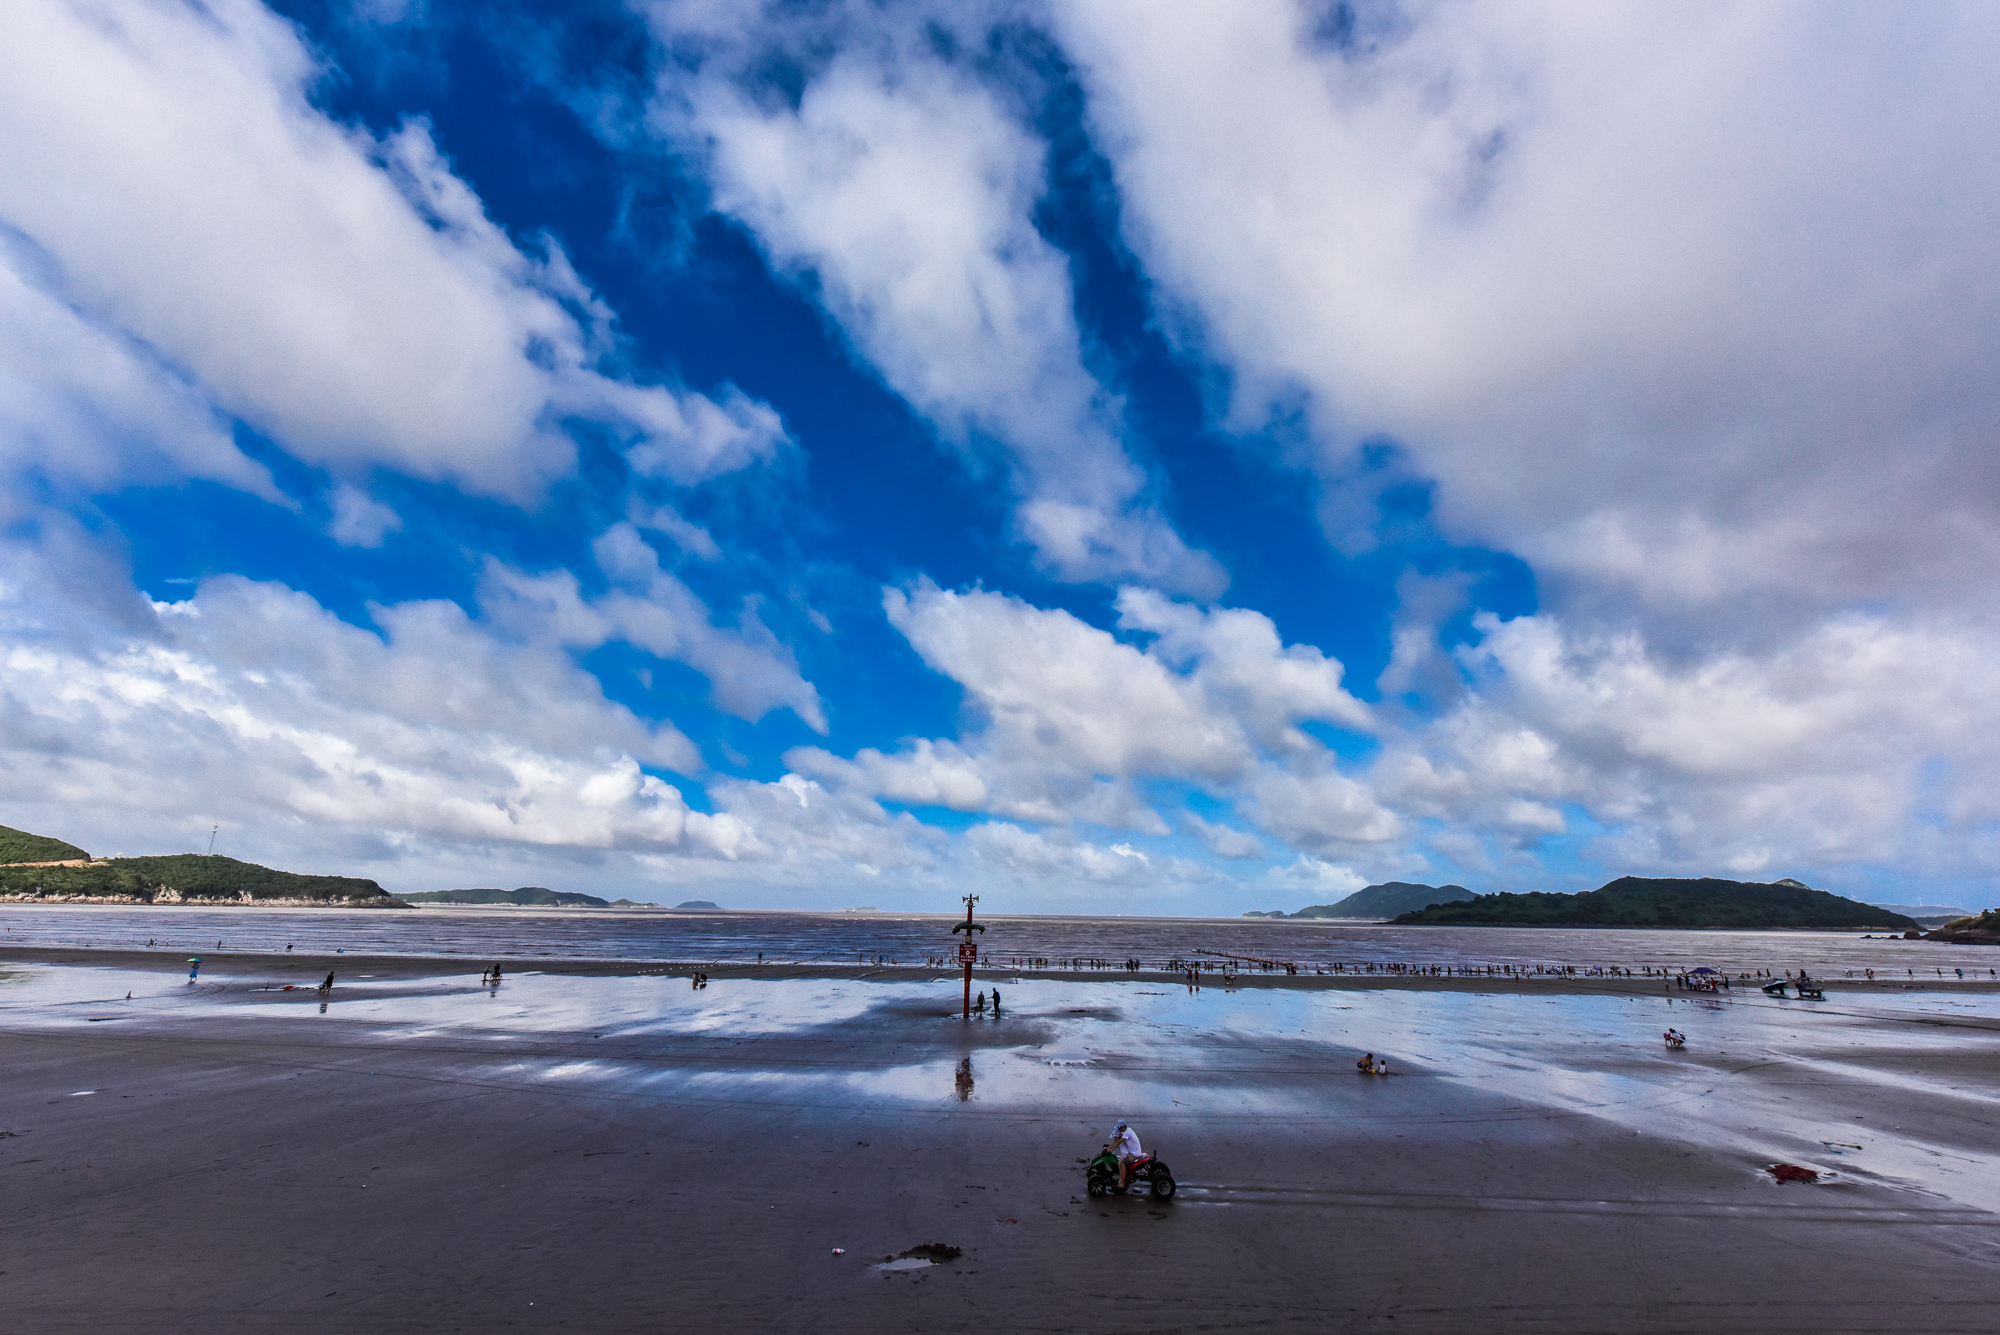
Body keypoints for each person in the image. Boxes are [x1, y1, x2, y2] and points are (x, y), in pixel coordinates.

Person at [1110, 1119, 1143, 1190]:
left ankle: (1122, 1184)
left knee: (1123, 1164)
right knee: (1119, 1163)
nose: (1119, 1130)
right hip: (1133, 1151)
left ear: (1122, 1127)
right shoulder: (1128, 1130)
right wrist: (1109, 1148)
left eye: (1119, 1128)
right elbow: (1116, 1141)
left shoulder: (1127, 1133)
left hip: (1135, 1153)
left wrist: (1111, 1150)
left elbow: (1119, 1142)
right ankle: (1121, 1180)